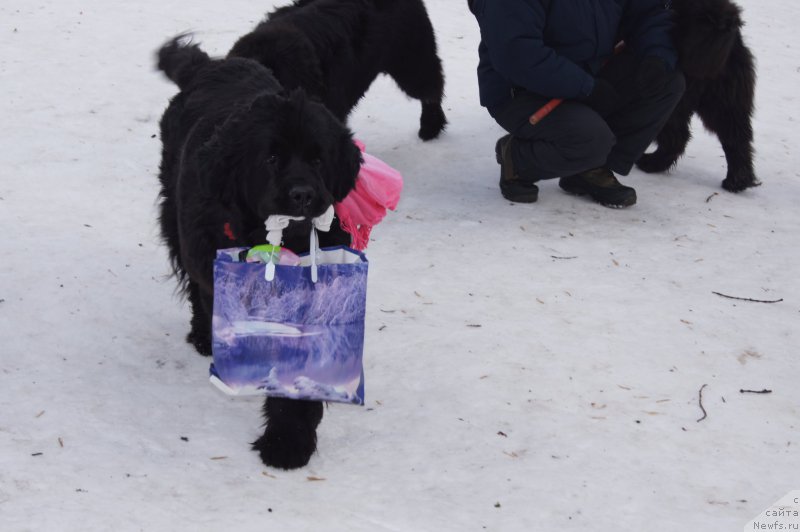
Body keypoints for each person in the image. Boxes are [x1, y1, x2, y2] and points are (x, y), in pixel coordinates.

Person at [467, 0, 686, 208]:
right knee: (590, 139)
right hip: (523, 90)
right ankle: (517, 158)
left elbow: (648, 12)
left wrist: (658, 56)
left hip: (588, 75)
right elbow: (517, 54)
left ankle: (589, 170)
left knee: (666, 83)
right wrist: (586, 88)